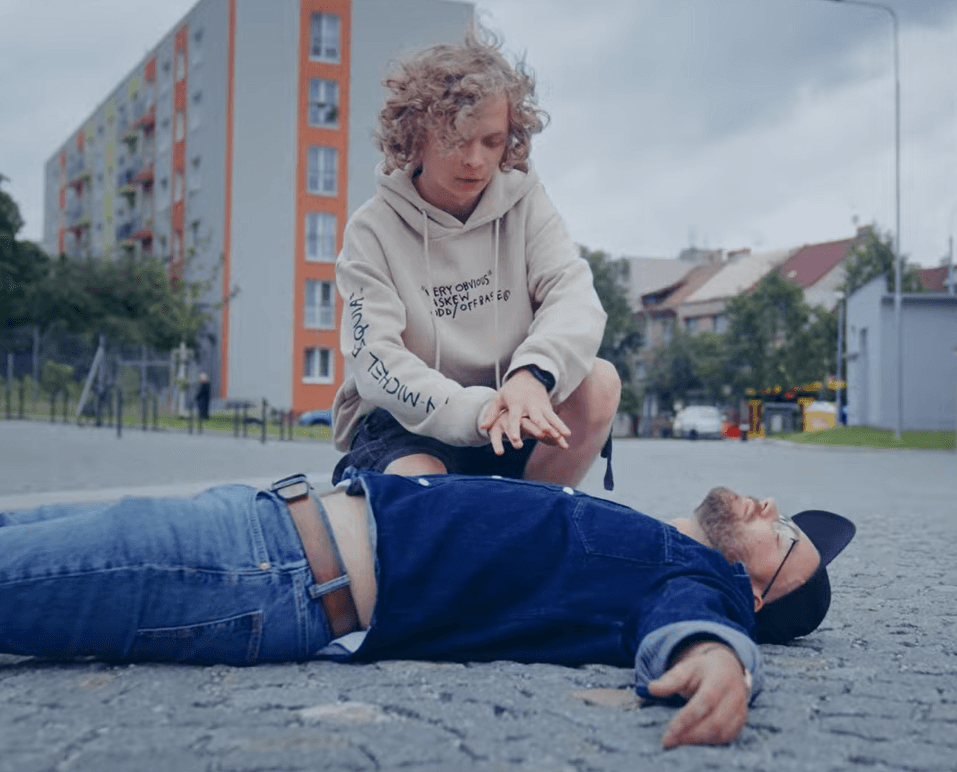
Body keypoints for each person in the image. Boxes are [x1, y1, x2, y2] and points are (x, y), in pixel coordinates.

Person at [0, 470, 854, 748]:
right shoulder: (648, 531)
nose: (770, 511)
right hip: (263, 516)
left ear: (751, 596)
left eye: (782, 540)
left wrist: (717, 656)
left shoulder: (694, 579)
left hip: (265, 577)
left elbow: (691, 620)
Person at [331, 25, 621, 488]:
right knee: (417, 491)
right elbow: (377, 359)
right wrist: (479, 410)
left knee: (599, 381)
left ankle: (532, 525)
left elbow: (573, 296)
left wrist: (531, 377)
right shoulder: (372, 229)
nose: (475, 160)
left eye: (492, 141)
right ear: (416, 135)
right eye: (457, 138)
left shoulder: (526, 202)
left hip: (519, 404)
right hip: (413, 421)